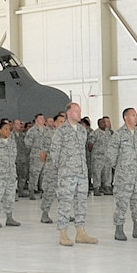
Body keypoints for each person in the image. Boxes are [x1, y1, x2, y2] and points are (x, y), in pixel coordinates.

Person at [51, 102, 97, 246]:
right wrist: (64, 169)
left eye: (80, 111)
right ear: (69, 113)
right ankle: (63, 233)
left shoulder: (83, 131)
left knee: (81, 203)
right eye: (76, 111)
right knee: (65, 203)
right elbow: (54, 153)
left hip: (82, 174)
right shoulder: (61, 131)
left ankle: (80, 232)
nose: (79, 114)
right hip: (67, 174)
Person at [107, 108, 137, 241]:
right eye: (133, 115)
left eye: (136, 115)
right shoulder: (118, 134)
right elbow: (111, 155)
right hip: (123, 176)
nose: (136, 117)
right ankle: (119, 229)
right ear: (125, 117)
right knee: (122, 202)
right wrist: (121, 168)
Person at [88, 117, 113, 195]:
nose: (104, 124)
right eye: (102, 123)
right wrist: (96, 153)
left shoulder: (109, 132)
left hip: (107, 157)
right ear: (98, 124)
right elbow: (90, 145)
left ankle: (106, 187)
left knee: (107, 173)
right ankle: (96, 189)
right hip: (98, 158)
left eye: (105, 122)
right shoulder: (95, 133)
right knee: (97, 173)